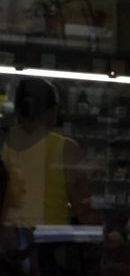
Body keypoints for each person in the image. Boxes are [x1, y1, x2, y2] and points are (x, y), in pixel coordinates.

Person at [2, 78, 93, 227]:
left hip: (6, 242)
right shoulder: (66, 149)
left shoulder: (3, 142)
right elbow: (84, 209)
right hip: (49, 241)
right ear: (52, 111)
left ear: (17, 109)